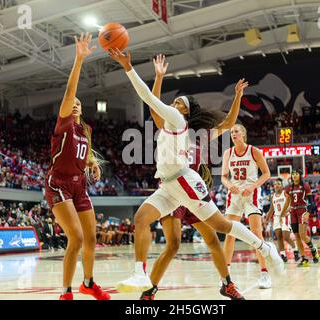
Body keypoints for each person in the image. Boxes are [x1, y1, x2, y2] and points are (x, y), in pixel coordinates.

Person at [109, 48, 283, 295]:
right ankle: (143, 279)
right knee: (152, 228)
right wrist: (158, 77)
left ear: (186, 112)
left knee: (219, 230)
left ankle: (254, 257)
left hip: (187, 183)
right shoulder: (170, 122)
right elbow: (153, 106)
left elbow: (227, 123)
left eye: (178, 102)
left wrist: (237, 97)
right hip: (169, 186)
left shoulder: (190, 129)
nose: (173, 103)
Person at [43, 33, 109, 300]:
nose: (75, 105)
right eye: (72, 104)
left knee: (92, 238)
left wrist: (93, 163)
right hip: (58, 183)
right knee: (77, 238)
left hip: (79, 184)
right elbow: (71, 92)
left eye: (79, 105)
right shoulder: (64, 124)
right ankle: (66, 292)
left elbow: (84, 152)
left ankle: (89, 283)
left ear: (82, 111)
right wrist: (79, 59)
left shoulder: (85, 129)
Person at [221, 124, 273, 289]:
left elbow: (266, 173)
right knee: (230, 234)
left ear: (243, 134)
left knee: (256, 234)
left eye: (236, 131)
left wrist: (252, 186)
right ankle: (225, 276)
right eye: (231, 132)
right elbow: (223, 177)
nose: (233, 134)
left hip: (251, 195)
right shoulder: (227, 153)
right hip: (234, 197)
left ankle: (264, 274)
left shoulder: (254, 151)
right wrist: (229, 186)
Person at [280, 169, 320, 266]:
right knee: (297, 237)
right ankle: (304, 259)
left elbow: (311, 202)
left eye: (296, 174)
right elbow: (287, 201)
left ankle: (313, 249)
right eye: (293, 174)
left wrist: (308, 213)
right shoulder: (289, 188)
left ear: (300, 175)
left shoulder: (305, 186)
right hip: (293, 212)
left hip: (302, 211)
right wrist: (282, 213)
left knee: (302, 235)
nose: (294, 175)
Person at [265, 178, 300, 263]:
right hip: (276, 217)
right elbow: (271, 209)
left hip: (285, 216)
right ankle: (283, 255)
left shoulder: (286, 194)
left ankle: (295, 251)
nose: (276, 185)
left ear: (282, 186)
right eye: (275, 184)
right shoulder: (272, 196)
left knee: (286, 236)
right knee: (278, 236)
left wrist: (285, 213)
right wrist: (266, 219)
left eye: (278, 184)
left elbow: (291, 205)